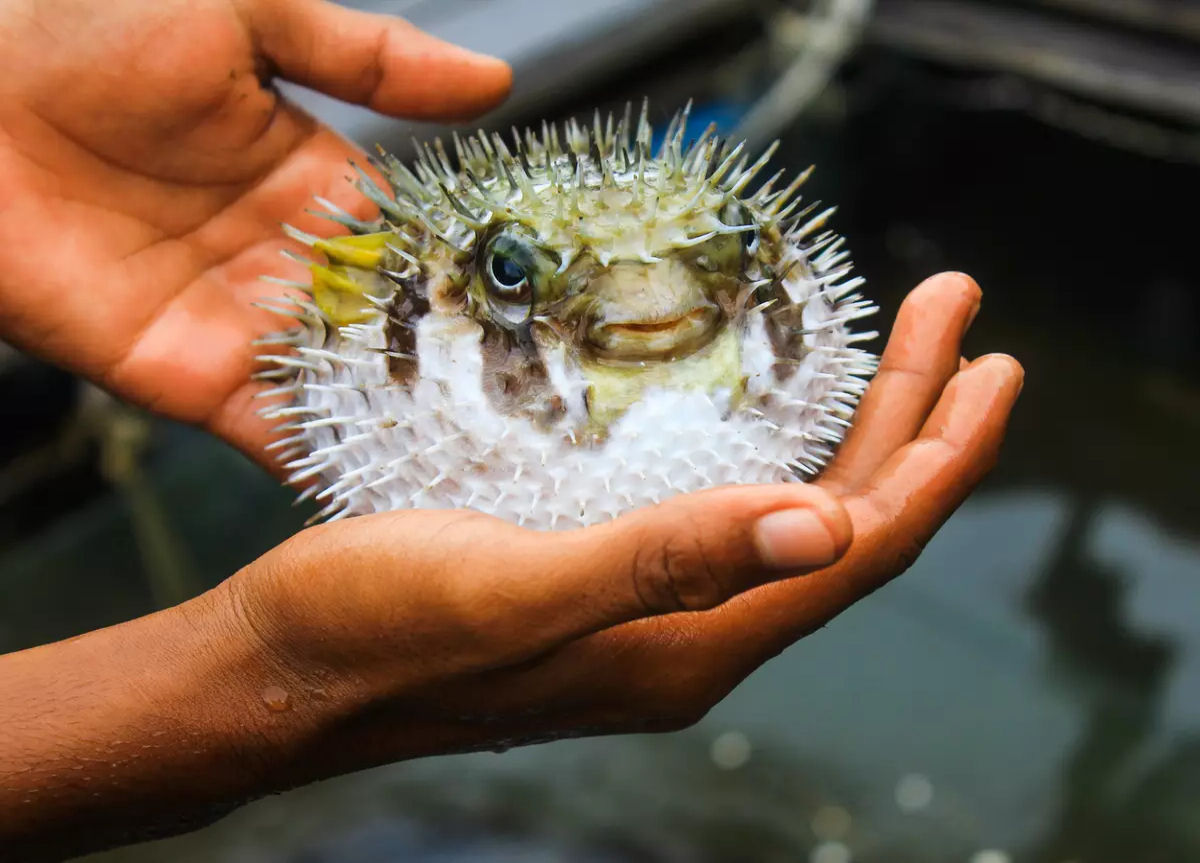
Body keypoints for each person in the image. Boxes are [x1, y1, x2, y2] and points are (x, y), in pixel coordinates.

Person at [0, 0, 1024, 859]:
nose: (648, 305)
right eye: (510, 275)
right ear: (411, 305)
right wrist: (268, 675)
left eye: (726, 262)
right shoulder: (377, 323)